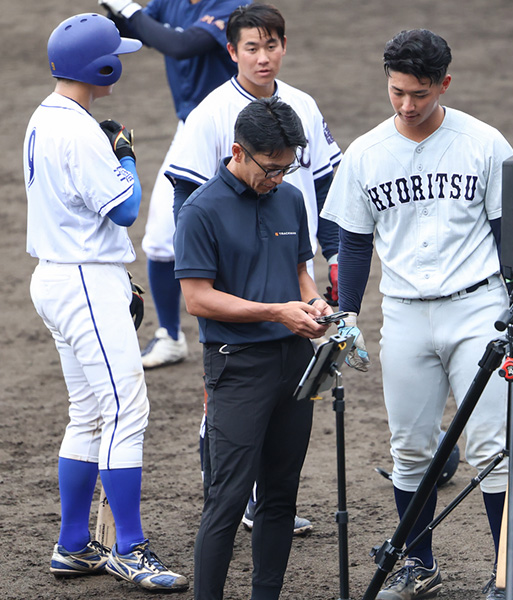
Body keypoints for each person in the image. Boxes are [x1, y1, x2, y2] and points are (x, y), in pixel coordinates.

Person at [321, 29, 513, 600]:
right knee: (409, 449)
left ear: (444, 84)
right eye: (396, 92)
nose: (407, 106)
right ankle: (418, 565)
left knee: (491, 447)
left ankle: (508, 574)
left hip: (477, 308)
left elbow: (505, 233)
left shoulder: (483, 143)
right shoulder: (366, 152)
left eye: (419, 93)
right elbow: (355, 242)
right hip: (406, 314)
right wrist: (347, 314)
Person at [23, 13, 187, 592]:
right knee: (127, 412)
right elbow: (124, 210)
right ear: (102, 67)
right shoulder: (80, 131)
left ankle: (73, 546)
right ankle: (130, 548)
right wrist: (125, 155)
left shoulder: (45, 117)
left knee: (90, 413)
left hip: (61, 277)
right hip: (84, 283)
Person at [166, 2, 342, 535]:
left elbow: (328, 185)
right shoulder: (212, 113)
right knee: (224, 403)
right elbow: (186, 198)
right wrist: (204, 271)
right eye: (251, 47)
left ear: (284, 47)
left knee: (286, 395)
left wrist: (332, 259)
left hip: (292, 264)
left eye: (271, 46)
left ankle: (264, 505)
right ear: (233, 52)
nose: (263, 58)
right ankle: (223, 503)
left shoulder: (303, 107)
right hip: (231, 276)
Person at [174, 96, 333, 600]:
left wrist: (315, 304)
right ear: (239, 152)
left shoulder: (288, 198)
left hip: (295, 363)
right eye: (271, 169)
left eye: (289, 168)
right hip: (237, 367)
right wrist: (275, 311)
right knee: (228, 498)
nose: (280, 178)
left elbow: (300, 271)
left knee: (282, 493)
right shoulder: (201, 211)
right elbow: (197, 300)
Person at [98, 0, 251, 369]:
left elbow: (180, 44)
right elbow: (130, 31)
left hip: (241, 130)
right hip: (190, 131)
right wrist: (114, 14)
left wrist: (129, 9)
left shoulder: (232, 5)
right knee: (161, 238)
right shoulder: (174, 2)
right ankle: (170, 335)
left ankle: (254, 332)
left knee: (243, 239)